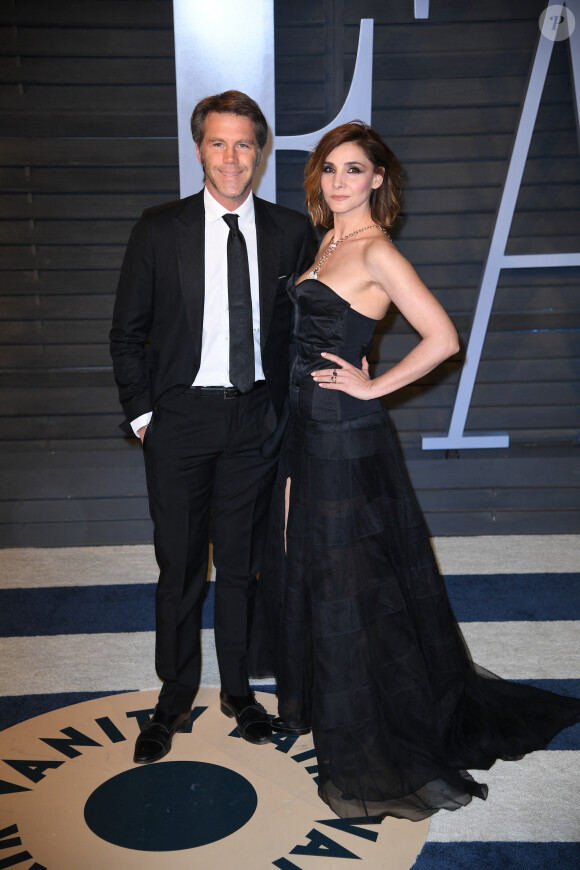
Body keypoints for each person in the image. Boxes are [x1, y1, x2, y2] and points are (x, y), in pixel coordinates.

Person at [250, 121, 580, 821]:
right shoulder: (328, 242)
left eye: (353, 170)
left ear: (378, 180)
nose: (339, 181)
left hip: (343, 434)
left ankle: (367, 730)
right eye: (329, 169)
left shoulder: (375, 250)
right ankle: (326, 700)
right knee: (313, 566)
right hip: (303, 432)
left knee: (349, 580)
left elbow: (443, 336)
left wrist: (374, 386)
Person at [110, 90, 315, 764]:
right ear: (198, 148)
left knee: (241, 568)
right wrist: (144, 417)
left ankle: (238, 692)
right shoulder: (158, 229)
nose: (232, 157)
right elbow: (126, 334)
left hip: (255, 420)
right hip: (180, 422)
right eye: (219, 142)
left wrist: (287, 415)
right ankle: (174, 697)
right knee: (179, 567)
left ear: (260, 151)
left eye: (245, 143)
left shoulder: (290, 231)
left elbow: (302, 334)